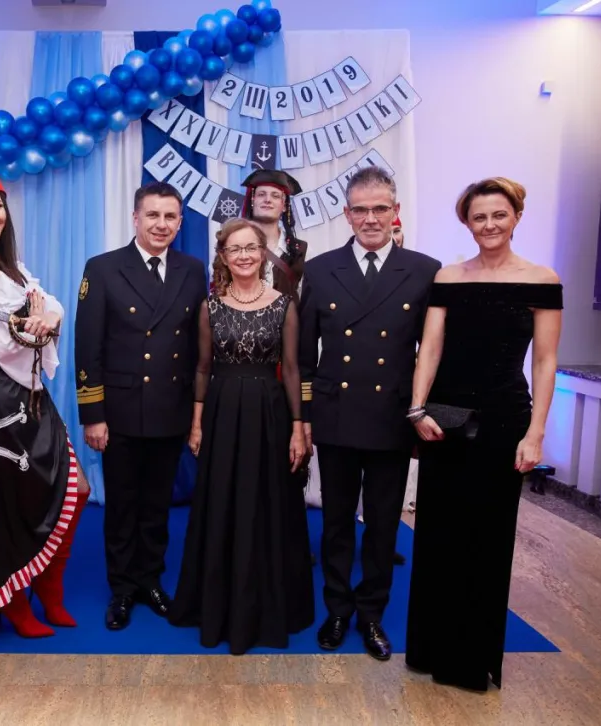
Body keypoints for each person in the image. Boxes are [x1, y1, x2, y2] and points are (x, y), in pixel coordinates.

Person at [406, 177, 561, 691]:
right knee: (439, 534)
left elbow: (545, 361)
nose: (489, 225)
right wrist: (416, 409)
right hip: (445, 419)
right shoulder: (449, 277)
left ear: (516, 217)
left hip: (504, 420)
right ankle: (429, 650)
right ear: (467, 223)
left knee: (488, 538)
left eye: (499, 215)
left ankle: (471, 661)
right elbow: (430, 348)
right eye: (479, 217)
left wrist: (536, 433)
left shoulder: (542, 280)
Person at [298, 166, 440, 661]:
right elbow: (304, 354)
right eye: (361, 209)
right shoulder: (321, 269)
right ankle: (337, 609)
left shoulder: (424, 270)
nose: (371, 218)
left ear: (396, 211)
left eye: (381, 208)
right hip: (336, 415)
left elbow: (432, 351)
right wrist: (303, 417)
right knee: (336, 521)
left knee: (382, 524)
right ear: (347, 214)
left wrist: (424, 410)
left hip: (391, 416)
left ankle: (372, 613)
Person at [0, 171, 89, 638]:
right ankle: (14, 600)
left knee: (72, 490)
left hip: (28, 394)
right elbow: (6, 340)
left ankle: (48, 588)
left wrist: (46, 316)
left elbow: (49, 303)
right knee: (11, 503)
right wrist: (37, 325)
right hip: (1, 397)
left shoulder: (7, 264)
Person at [169, 218, 314, 653]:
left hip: (270, 414)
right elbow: (202, 368)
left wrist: (298, 427)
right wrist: (197, 423)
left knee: (268, 503)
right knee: (223, 503)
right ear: (224, 256)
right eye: (236, 249)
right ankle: (219, 604)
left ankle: (266, 606)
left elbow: (292, 370)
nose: (245, 255)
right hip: (222, 413)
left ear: (263, 253)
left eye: (252, 247)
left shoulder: (283, 304)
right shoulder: (210, 306)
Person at [75, 181, 208, 631]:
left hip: (170, 408)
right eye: (153, 215)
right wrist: (93, 415)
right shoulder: (104, 268)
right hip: (120, 411)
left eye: (170, 217)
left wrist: (196, 414)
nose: (161, 224)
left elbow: (196, 348)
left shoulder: (193, 270)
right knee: (122, 506)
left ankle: (150, 580)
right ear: (135, 218)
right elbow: (88, 347)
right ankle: (122, 589)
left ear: (180, 222)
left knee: (157, 505)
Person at [240, 169, 308, 298]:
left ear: (284, 206)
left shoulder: (301, 251)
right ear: (253, 201)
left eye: (275, 196)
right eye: (261, 194)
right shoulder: (232, 246)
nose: (267, 200)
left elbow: (305, 300)